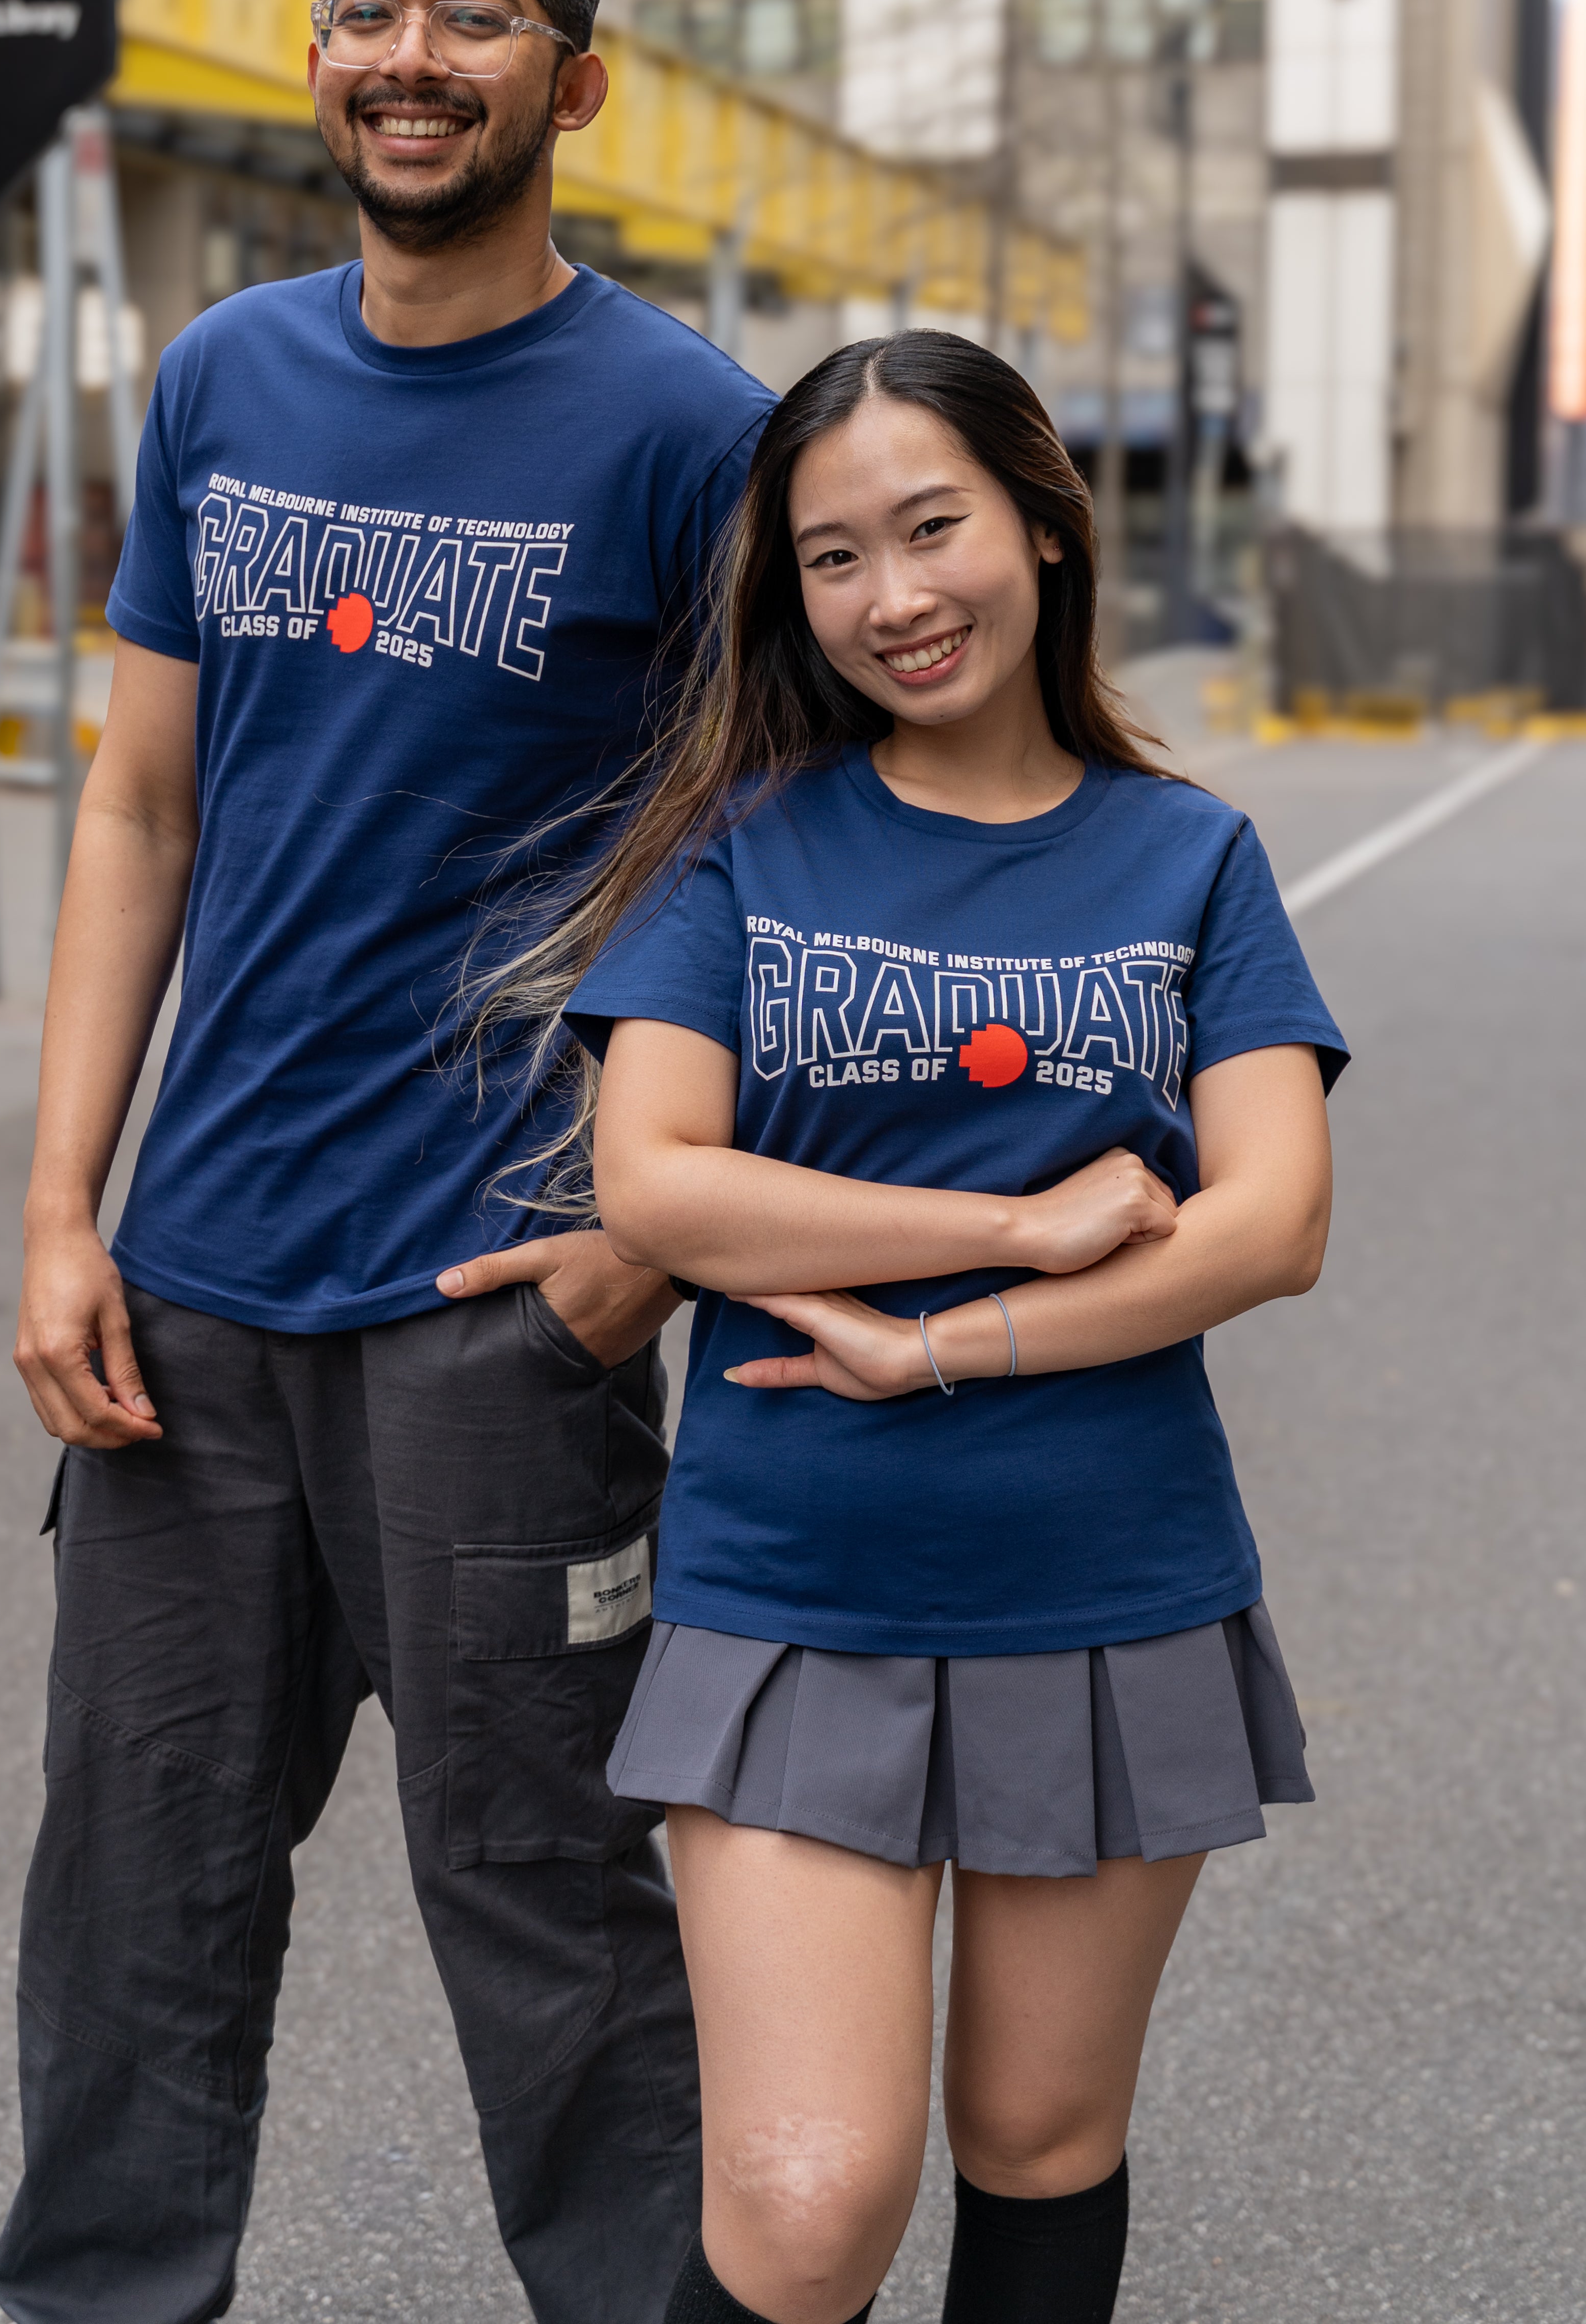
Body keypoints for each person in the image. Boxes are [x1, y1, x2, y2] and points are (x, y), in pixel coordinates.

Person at [0, 0, 773, 2324]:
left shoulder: (688, 429)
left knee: (539, 1895)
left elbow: (781, 868)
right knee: (135, 1875)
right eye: (365, 10)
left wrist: (640, 1247)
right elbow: (137, 808)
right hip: (193, 1298)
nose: (404, 59)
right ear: (313, 54)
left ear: (576, 76)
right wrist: (57, 1213)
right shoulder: (224, 373)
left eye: (464, 14)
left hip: (488, 1298)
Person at [500, 332, 1346, 2324]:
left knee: (1039, 2142)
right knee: (806, 2195)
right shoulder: (745, 844)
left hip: (1108, 1575)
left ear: (1042, 526)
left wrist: (944, 1343)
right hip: (800, 1585)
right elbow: (662, 1181)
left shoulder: (1189, 857)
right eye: (830, 558)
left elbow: (1275, 1223)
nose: (893, 595)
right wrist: (1012, 1225)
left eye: (932, 526)